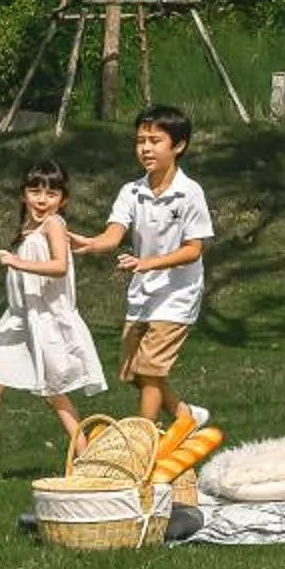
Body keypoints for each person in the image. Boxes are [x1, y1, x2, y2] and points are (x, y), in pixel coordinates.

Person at [0, 159, 106, 483]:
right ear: (23, 195)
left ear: (63, 199)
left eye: (51, 193)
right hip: (19, 319)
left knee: (53, 392)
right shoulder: (28, 230)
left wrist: (17, 262)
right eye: (35, 191)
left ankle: (86, 457)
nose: (42, 200)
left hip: (46, 323)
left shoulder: (54, 225)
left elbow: (59, 266)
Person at [72, 103, 214, 427]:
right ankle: (184, 416)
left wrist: (149, 263)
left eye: (154, 141)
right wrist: (92, 243)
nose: (145, 148)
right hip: (143, 294)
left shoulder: (190, 194)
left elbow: (194, 249)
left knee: (150, 371)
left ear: (178, 146)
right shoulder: (131, 191)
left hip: (177, 295)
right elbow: (113, 233)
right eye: (140, 141)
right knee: (132, 372)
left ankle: (143, 439)